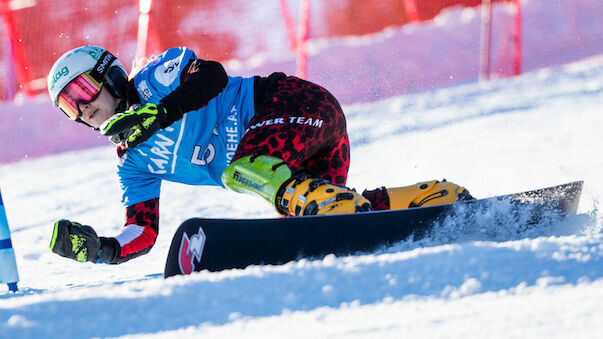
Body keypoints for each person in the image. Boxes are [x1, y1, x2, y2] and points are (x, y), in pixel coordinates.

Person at [47, 45, 473, 264]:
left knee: (244, 170)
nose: (82, 107)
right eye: (68, 104)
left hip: (291, 103)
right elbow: (142, 231)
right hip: (301, 151)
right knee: (318, 220)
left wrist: (160, 114)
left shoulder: (153, 80)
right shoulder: (131, 164)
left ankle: (331, 203)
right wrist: (103, 248)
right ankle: (434, 199)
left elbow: (212, 75)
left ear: (111, 75)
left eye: (83, 89)